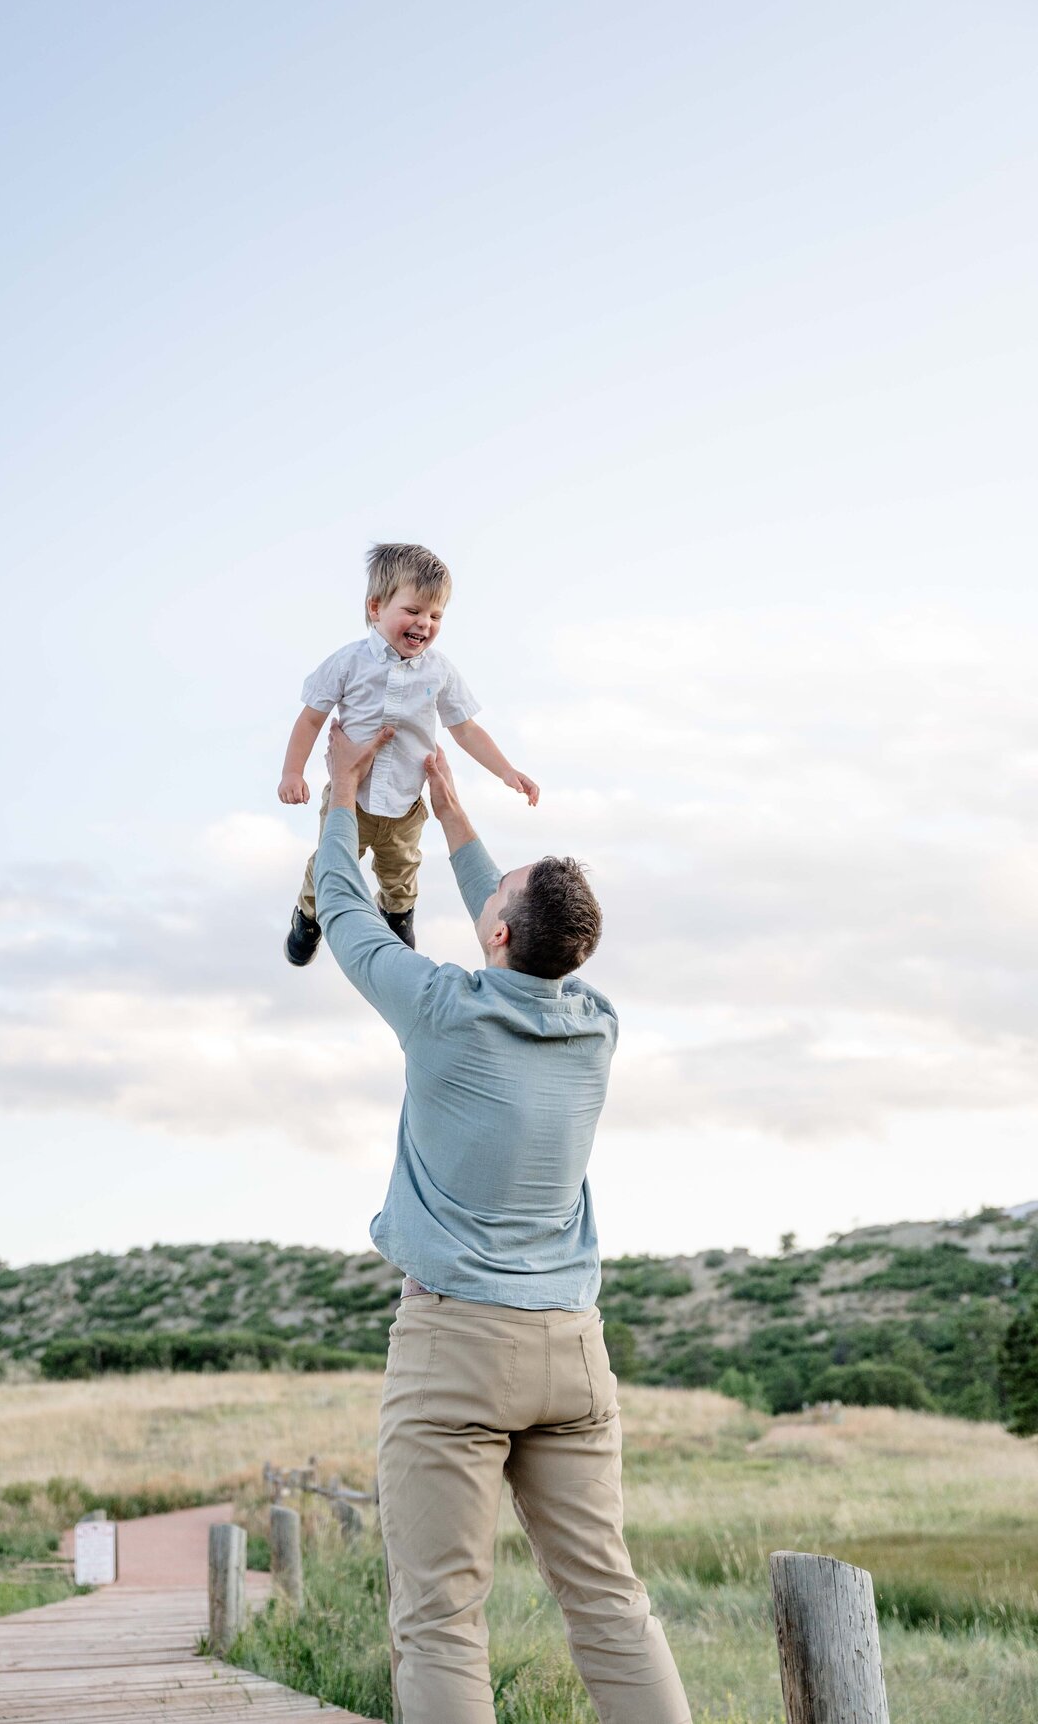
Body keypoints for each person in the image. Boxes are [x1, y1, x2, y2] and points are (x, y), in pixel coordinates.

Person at [314, 721, 693, 1724]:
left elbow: (350, 916)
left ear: (495, 933)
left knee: (440, 1620)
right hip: (573, 1350)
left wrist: (339, 800)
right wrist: (455, 818)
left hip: (456, 1346)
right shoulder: (596, 1025)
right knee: (610, 1604)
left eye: (495, 893)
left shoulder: (441, 1009)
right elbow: (526, 935)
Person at [278, 541, 538, 965]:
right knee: (329, 864)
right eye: (414, 611)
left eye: (436, 616)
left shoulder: (440, 671)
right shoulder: (349, 663)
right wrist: (293, 773)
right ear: (376, 608)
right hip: (352, 801)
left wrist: (506, 771)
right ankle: (308, 917)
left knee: (401, 872)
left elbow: (466, 728)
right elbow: (311, 719)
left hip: (405, 804)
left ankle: (397, 916)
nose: (425, 624)